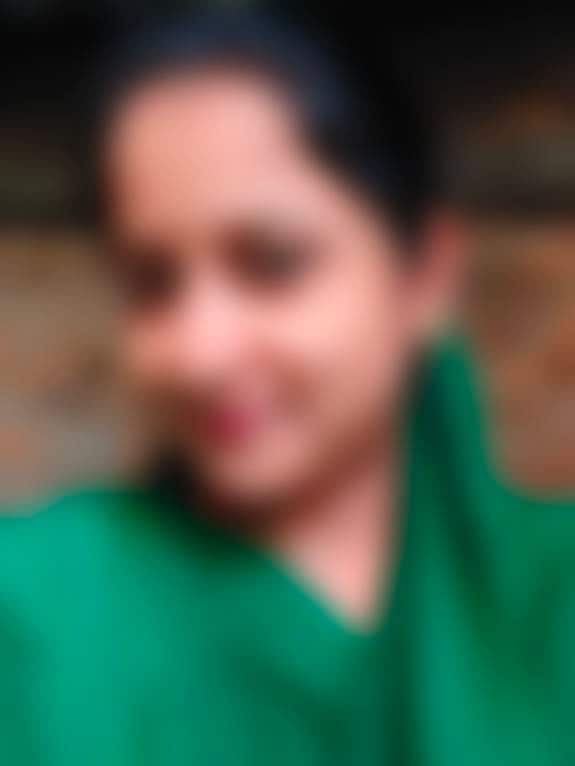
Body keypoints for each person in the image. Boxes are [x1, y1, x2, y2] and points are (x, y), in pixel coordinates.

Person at [2, 9, 574, 766]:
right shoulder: (36, 615)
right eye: (151, 283)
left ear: (426, 273)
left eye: (272, 264)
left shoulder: (551, 607)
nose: (202, 353)